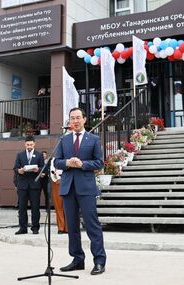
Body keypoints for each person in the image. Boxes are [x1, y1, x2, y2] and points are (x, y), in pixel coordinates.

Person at [55, 107, 106, 275]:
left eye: (78, 118)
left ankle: (99, 261)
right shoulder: (64, 139)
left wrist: (83, 164)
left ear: (84, 119)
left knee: (92, 225)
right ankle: (77, 259)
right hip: (68, 188)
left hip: (86, 188)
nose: (75, 121)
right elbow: (57, 162)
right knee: (72, 226)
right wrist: (68, 163)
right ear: (69, 121)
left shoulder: (93, 139)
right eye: (72, 118)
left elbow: (99, 163)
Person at [13, 136, 44, 235]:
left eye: (31, 144)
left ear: (34, 144)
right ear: (25, 144)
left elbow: (43, 168)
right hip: (22, 185)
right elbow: (15, 168)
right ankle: (23, 227)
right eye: (28, 144)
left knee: (35, 207)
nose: (29, 146)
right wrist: (19, 170)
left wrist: (38, 170)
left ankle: (35, 228)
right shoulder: (20, 155)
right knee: (22, 207)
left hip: (35, 185)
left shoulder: (39, 155)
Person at [45, 151, 67, 234]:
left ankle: (68, 228)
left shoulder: (68, 158)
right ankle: (61, 228)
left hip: (67, 183)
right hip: (57, 183)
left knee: (68, 207)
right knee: (59, 207)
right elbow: (52, 172)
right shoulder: (54, 160)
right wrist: (57, 179)